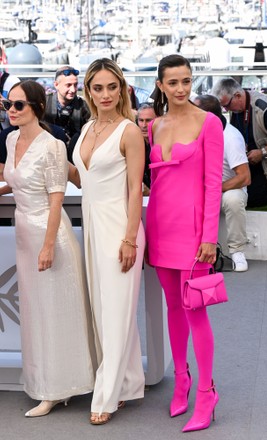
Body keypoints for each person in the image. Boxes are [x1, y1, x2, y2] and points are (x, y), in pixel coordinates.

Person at [0, 80, 95, 417]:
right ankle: (44, 382)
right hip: (25, 232)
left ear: (37, 108)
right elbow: (15, 181)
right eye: (8, 103)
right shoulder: (12, 140)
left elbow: (57, 199)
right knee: (35, 313)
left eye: (19, 105)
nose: (11, 110)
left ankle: (58, 389)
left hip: (49, 234)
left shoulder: (52, 146)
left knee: (55, 312)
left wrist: (48, 246)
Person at [145, 54, 224, 432]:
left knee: (196, 311)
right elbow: (155, 184)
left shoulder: (209, 123)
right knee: (172, 308)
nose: (181, 88)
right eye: (173, 82)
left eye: (187, 81)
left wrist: (210, 236)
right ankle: (182, 379)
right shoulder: (154, 126)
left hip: (194, 233)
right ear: (160, 85)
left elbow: (213, 184)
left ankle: (207, 392)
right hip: (160, 226)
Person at [69, 58, 145, 425]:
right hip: (93, 227)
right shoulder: (86, 129)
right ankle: (128, 383)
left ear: (122, 89)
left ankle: (107, 395)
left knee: (114, 313)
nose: (104, 95)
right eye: (97, 88)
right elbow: (84, 179)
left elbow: (135, 190)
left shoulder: (129, 131)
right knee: (104, 312)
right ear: (88, 90)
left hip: (119, 228)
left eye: (111, 87)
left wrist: (130, 238)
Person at [211, 77, 267, 208]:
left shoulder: (265, 108)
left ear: (237, 95)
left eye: (226, 105)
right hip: (253, 169)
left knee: (241, 198)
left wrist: (263, 152)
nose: (226, 110)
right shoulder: (237, 108)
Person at [193, 94, 251, 272]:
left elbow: (244, 177)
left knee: (233, 199)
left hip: (226, 190)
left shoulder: (231, 138)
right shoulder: (191, 131)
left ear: (208, 115)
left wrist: (212, 189)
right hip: (200, 189)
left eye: (195, 110)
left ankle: (237, 252)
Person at [44, 65, 90, 161]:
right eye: (68, 85)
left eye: (75, 85)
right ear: (56, 85)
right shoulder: (44, 104)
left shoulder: (84, 107)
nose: (73, 90)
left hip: (74, 157)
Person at [136, 103, 156, 195]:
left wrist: (149, 192)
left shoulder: (164, 145)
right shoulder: (134, 144)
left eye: (148, 120)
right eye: (141, 120)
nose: (144, 125)